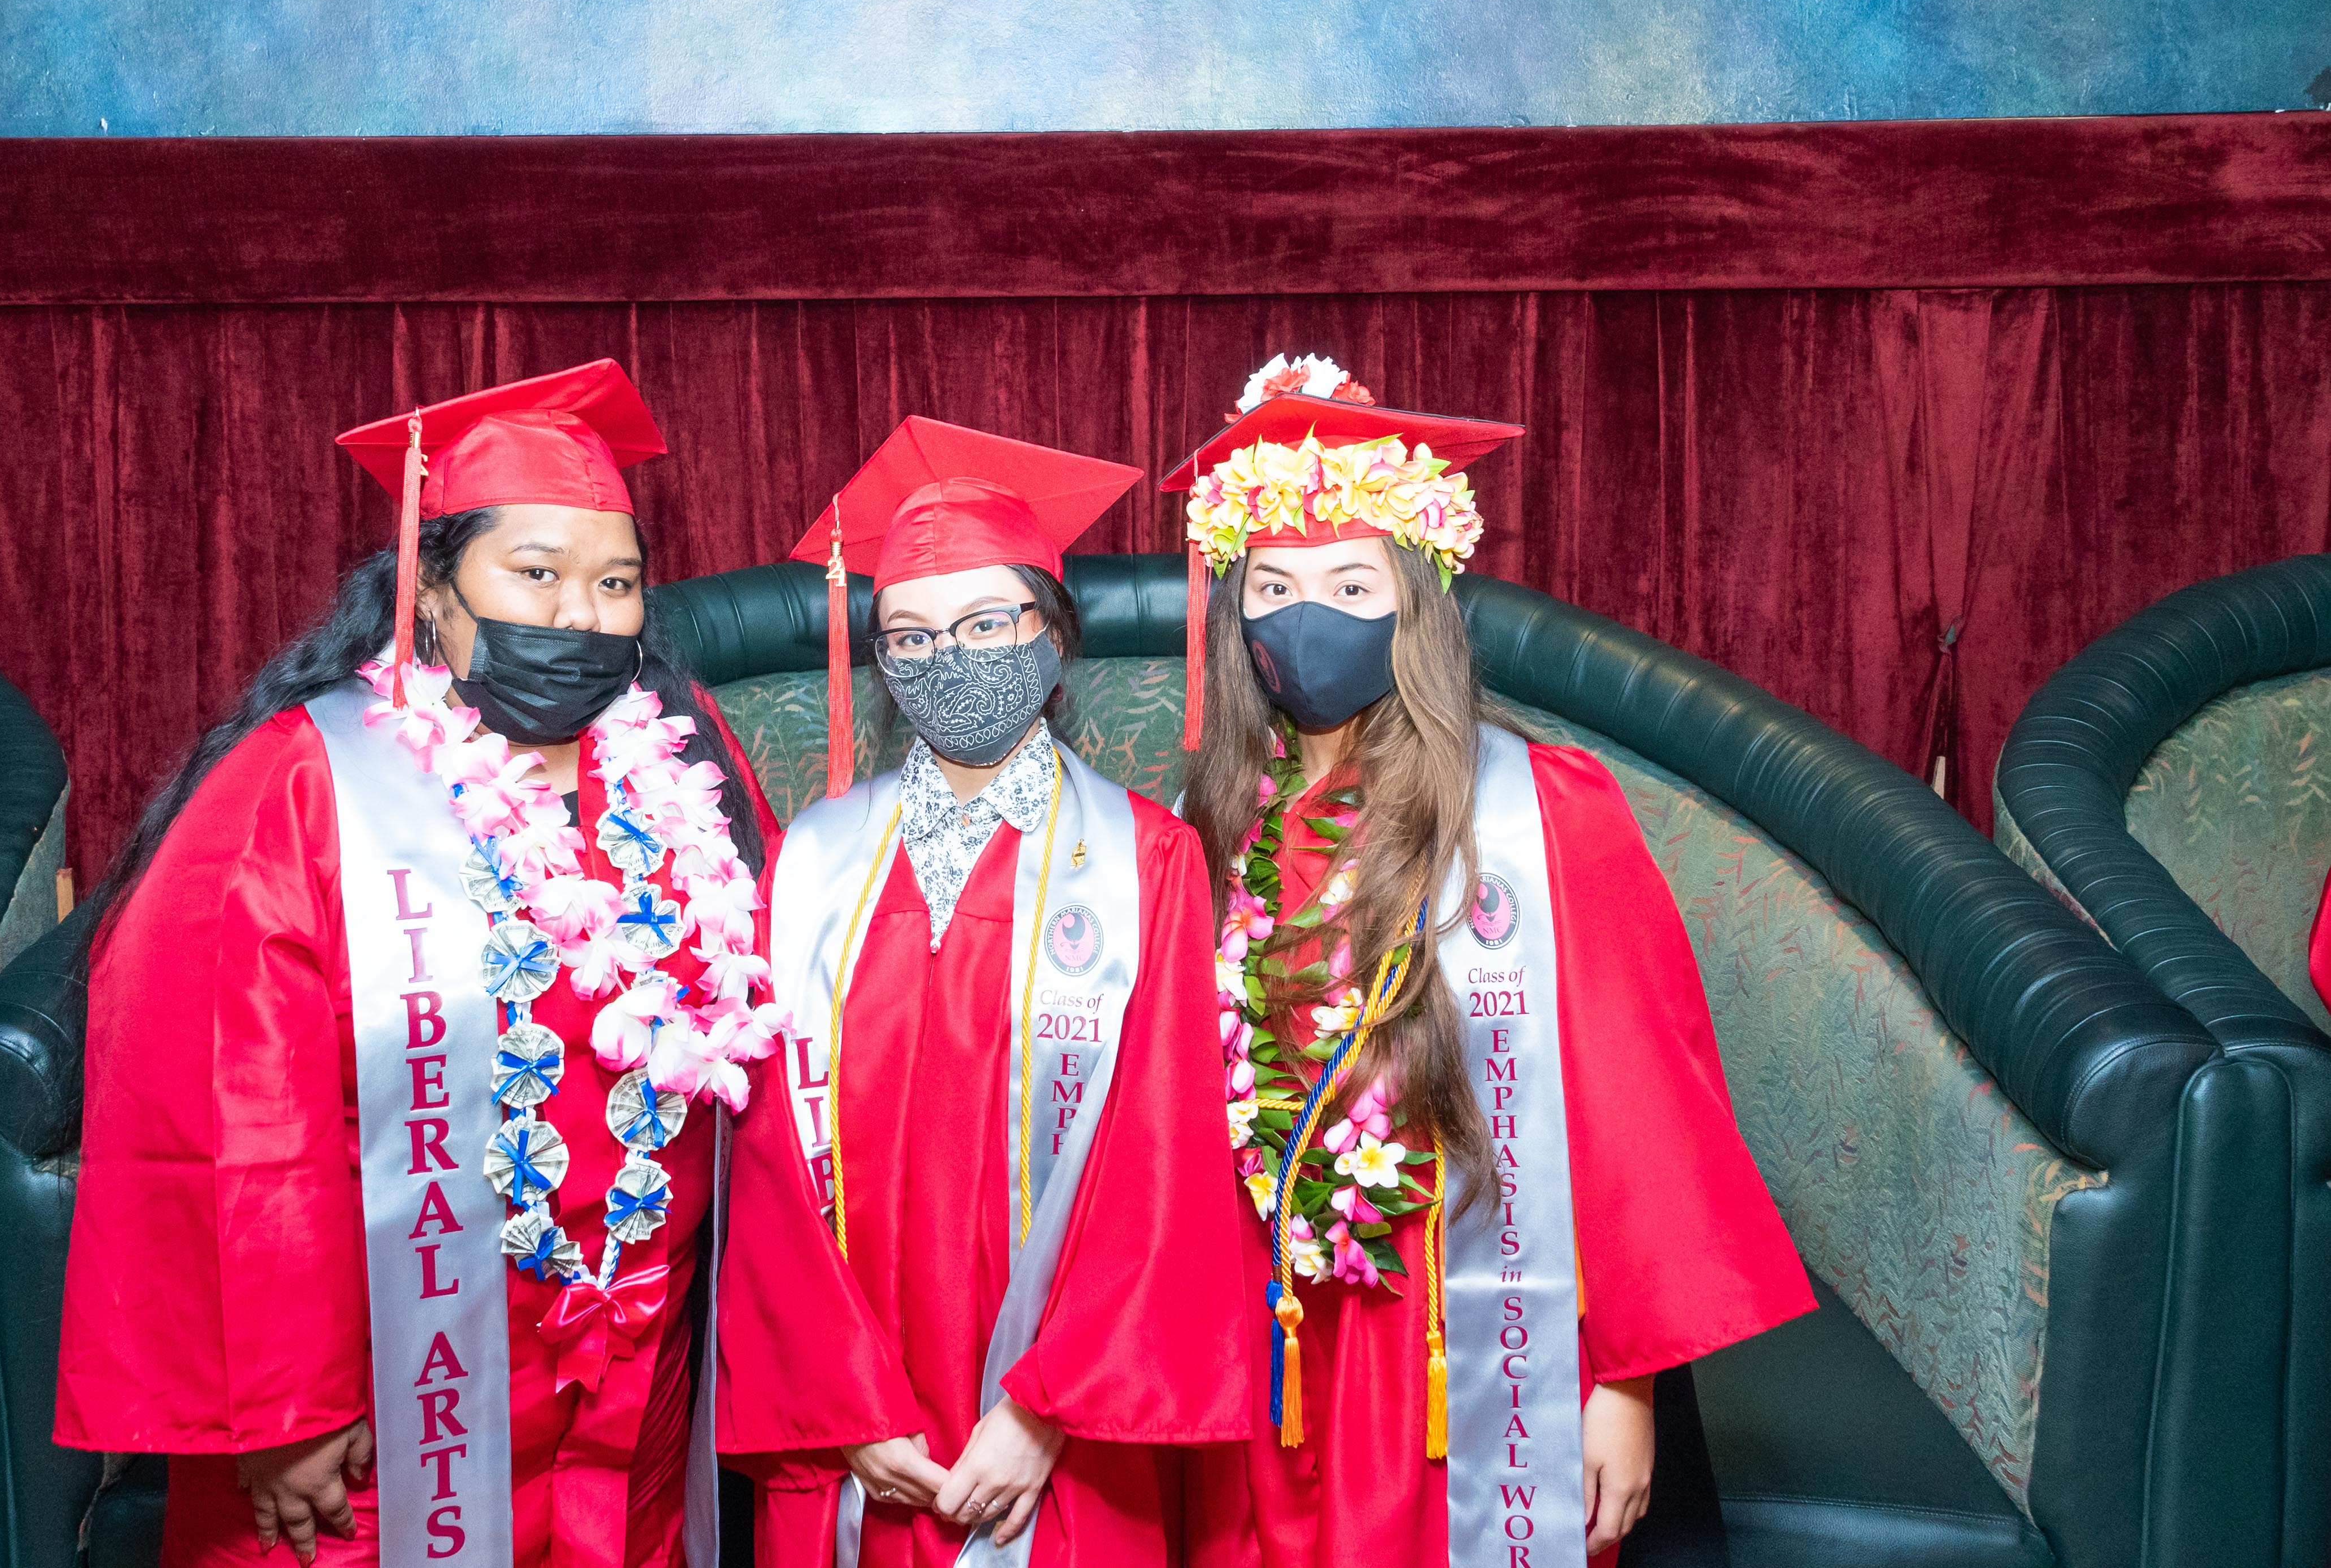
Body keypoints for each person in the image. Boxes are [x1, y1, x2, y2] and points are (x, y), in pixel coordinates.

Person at [55, 359, 792, 1567]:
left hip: (631, 1385)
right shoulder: (311, 783)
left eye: (615, 583)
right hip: (390, 1397)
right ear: (431, 591)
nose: (579, 614)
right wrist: (283, 1408)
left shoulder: (688, 771)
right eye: (536, 573)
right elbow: (228, 1117)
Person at [1169, 356, 1814, 1567]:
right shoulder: (1210, 827)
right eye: (1274, 587)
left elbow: (1635, 1108)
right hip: (1269, 1348)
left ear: (1417, 602)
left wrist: (1621, 1385)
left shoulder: (1535, 813)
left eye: (1352, 584)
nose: (1307, 618)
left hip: (1462, 1336)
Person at [716, 417, 1252, 1566]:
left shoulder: (1146, 859)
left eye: (986, 624)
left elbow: (1165, 1154)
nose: (948, 658)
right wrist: (848, 1407)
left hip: (1064, 1430)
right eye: (910, 635)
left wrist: (1046, 1407)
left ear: (1053, 635)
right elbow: (763, 1160)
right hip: (857, 1424)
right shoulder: (812, 862)